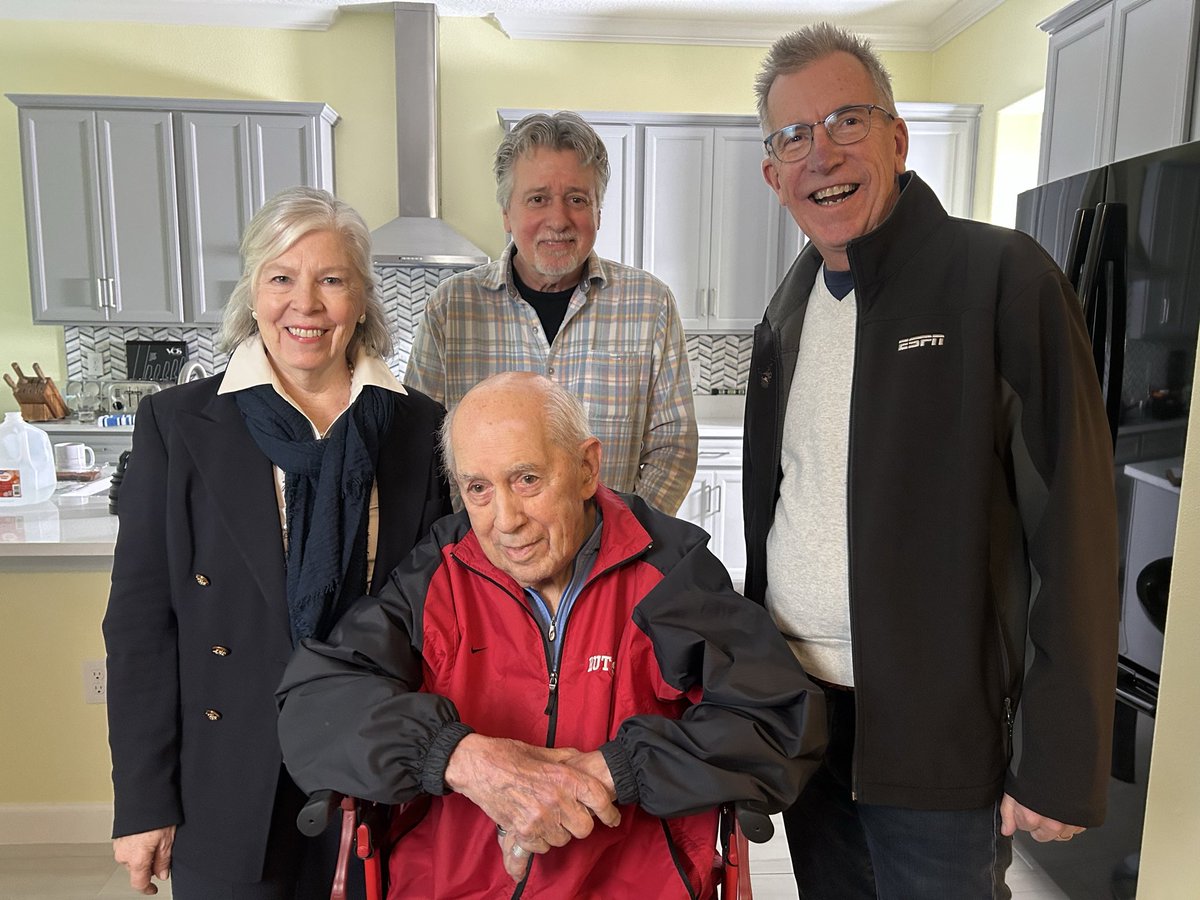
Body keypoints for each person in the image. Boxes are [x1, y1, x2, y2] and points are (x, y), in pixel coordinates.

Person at [744, 22, 1120, 899]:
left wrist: (1060, 757)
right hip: (809, 724)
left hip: (942, 733)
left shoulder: (1002, 279)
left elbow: (1074, 526)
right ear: (773, 175)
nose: (820, 153)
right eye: (793, 136)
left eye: (846, 120)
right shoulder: (787, 313)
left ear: (898, 138)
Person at [276, 371, 826, 898]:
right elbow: (317, 700)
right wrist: (461, 757)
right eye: (478, 488)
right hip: (453, 883)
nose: (506, 520)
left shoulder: (669, 573)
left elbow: (778, 719)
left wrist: (610, 772)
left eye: (527, 479)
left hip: (628, 883)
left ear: (587, 468)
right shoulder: (439, 572)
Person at [103, 186, 451, 898]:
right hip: (225, 778)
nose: (307, 304)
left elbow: (444, 621)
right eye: (282, 278)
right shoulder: (177, 423)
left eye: (331, 279)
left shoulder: (421, 429)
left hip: (378, 776)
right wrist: (144, 803)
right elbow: (141, 626)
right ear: (253, 291)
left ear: (361, 296)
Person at [404, 111, 698, 515]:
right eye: (537, 198)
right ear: (507, 213)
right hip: (485, 561)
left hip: (611, 563)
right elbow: (422, 448)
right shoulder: (451, 309)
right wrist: (478, 546)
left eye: (577, 199)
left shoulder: (650, 305)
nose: (558, 220)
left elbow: (674, 445)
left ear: (598, 212)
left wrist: (624, 541)